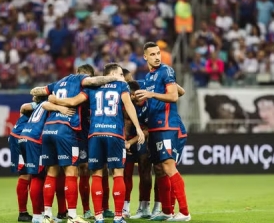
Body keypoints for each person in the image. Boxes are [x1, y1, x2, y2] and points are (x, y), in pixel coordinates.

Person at [48, 63, 145, 223]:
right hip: (114, 134)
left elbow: (72, 102)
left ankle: (98, 216)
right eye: (120, 74)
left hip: (94, 135)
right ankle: (118, 217)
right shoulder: (122, 86)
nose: (123, 77)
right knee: (117, 174)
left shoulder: (92, 88)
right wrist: (138, 128)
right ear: (112, 74)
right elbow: (129, 106)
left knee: (97, 175)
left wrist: (55, 100)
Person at [30, 64, 122, 223]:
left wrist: (50, 101)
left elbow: (36, 92)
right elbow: (95, 82)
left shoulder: (58, 83)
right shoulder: (81, 81)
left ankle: (46, 216)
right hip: (67, 130)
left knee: (51, 172)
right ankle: (73, 216)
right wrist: (115, 78)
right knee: (72, 172)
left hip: (49, 129)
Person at [135, 42, 190, 221]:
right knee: (159, 169)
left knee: (168, 166)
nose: (157, 57)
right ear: (145, 57)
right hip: (155, 127)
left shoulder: (166, 70)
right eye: (152, 54)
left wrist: (152, 95)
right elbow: (180, 91)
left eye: (158, 53)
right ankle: (166, 212)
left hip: (168, 126)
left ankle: (184, 212)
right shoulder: (149, 77)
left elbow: (174, 96)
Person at [18, 97, 74, 223]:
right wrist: (61, 108)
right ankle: (38, 216)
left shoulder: (38, 105)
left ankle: (42, 214)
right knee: (37, 176)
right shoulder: (49, 104)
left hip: (24, 137)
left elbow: (25, 107)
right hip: (35, 139)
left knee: (36, 175)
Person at [9, 97, 45, 222]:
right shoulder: (42, 105)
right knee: (27, 175)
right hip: (20, 137)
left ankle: (37, 210)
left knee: (32, 174)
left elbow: (23, 108)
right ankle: (23, 212)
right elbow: (24, 107)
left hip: (21, 135)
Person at [122, 80, 151, 220]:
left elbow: (147, 130)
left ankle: (144, 207)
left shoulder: (147, 104)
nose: (140, 99)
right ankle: (125, 208)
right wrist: (125, 141)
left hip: (142, 139)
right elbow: (126, 123)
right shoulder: (126, 104)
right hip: (129, 141)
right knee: (125, 173)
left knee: (145, 172)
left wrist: (131, 141)